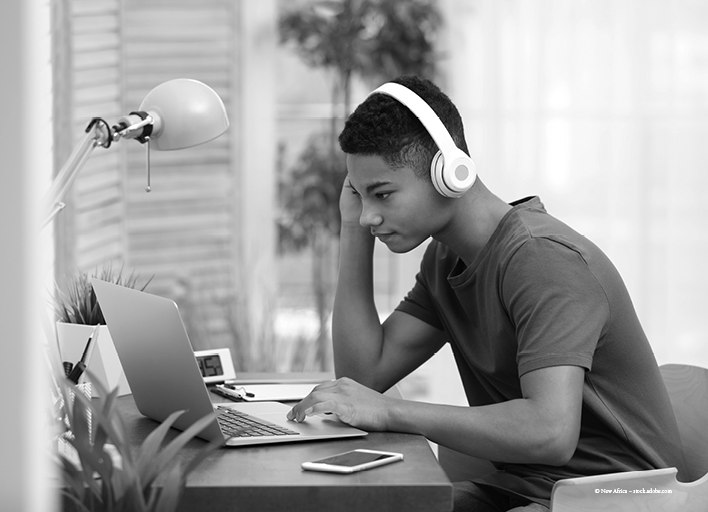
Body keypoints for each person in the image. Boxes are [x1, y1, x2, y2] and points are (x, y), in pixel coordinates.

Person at [287, 75, 685, 511]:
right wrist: (351, 230)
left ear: (449, 174)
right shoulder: (444, 260)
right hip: (526, 487)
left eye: (382, 194)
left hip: (616, 497)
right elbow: (364, 375)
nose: (369, 216)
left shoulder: (543, 261)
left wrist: (388, 411)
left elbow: (549, 432)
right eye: (360, 196)